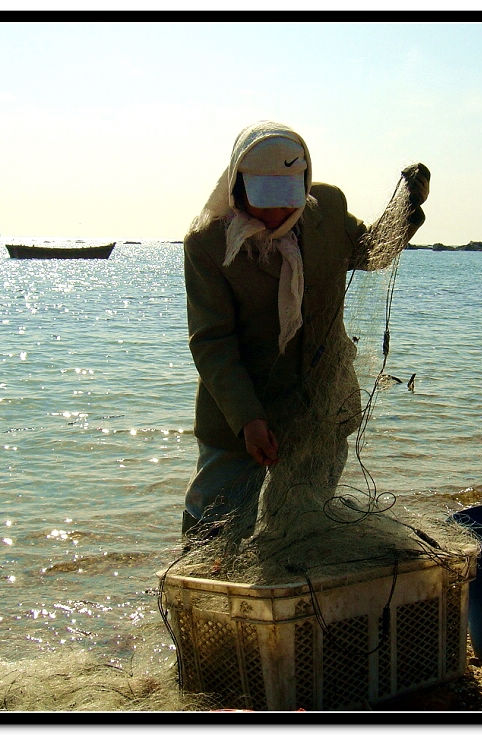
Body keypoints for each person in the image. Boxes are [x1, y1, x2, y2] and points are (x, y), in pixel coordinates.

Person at [181, 120, 429, 538]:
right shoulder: (207, 243)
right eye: (264, 200)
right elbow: (212, 342)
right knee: (215, 530)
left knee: (301, 525)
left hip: (323, 401)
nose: (277, 213)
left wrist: (407, 205)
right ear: (236, 185)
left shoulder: (326, 210)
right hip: (238, 412)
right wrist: (249, 421)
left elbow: (369, 254)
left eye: (286, 199)